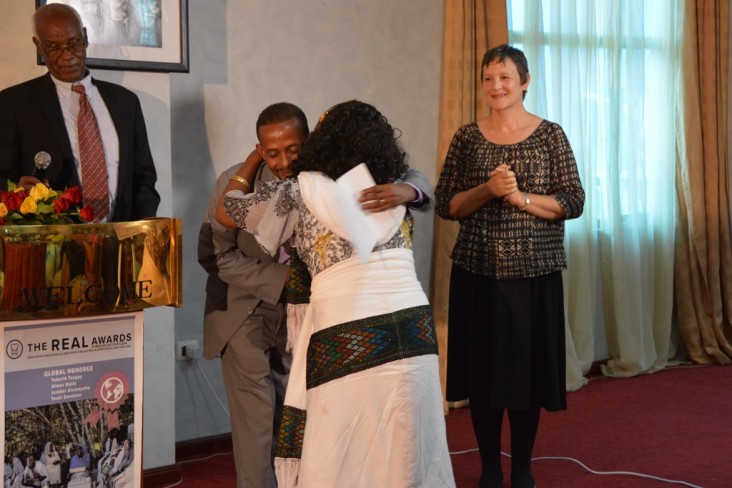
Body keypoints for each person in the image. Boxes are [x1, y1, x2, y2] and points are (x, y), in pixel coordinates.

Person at [216, 100, 454, 488]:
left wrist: (251, 161)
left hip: (348, 333)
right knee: (409, 436)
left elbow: (229, 210)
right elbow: (425, 185)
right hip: (414, 331)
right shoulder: (395, 186)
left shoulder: (299, 192)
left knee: (345, 447)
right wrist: (408, 191)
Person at [434, 44, 585, 488]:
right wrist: (488, 189)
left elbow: (572, 202)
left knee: (524, 380)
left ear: (524, 82)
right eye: (488, 79)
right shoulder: (467, 136)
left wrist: (518, 197)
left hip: (533, 276)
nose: (496, 87)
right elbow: (447, 204)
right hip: (477, 274)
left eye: (505, 78)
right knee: (482, 378)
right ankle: (488, 470)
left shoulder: (551, 135)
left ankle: (521, 469)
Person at [0, 3, 160, 222]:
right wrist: (17, 191)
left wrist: (140, 234)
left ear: (84, 37)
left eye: (73, 43)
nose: (67, 56)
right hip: (52, 246)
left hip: (120, 242)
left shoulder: (126, 103)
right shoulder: (13, 104)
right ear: (39, 47)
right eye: (54, 47)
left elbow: (143, 180)